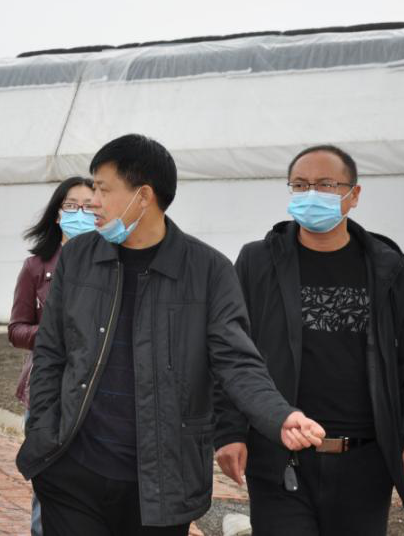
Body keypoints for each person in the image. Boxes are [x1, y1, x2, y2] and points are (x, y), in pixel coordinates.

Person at [16, 134, 328, 536]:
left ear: (143, 196)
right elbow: (51, 352)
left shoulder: (208, 271)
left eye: (104, 189)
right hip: (73, 474)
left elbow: (236, 362)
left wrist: (279, 414)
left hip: (163, 484)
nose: (94, 201)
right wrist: (43, 434)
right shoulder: (78, 257)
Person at [214, 145, 404, 535]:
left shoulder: (394, 272)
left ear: (354, 195)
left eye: (325, 185)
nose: (311, 194)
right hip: (280, 454)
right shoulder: (257, 262)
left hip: (365, 461)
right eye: (300, 185)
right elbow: (232, 353)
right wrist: (230, 432)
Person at [8, 177, 96, 536]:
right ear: (58, 214)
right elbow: (16, 329)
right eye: (71, 206)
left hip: (95, 391)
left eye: (89, 206)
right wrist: (52, 337)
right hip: (47, 390)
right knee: (48, 484)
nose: (80, 213)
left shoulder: (111, 262)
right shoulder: (36, 266)